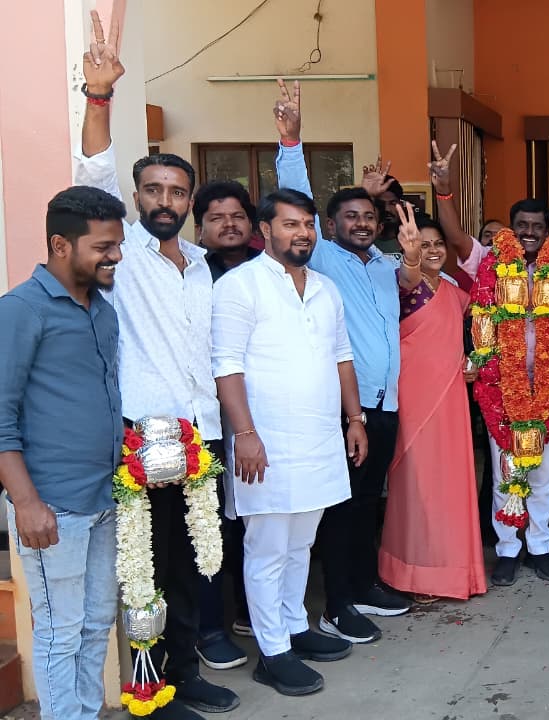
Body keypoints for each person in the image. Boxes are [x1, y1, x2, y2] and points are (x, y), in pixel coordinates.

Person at [72, 14, 239, 716]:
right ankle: (151, 689)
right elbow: (91, 174)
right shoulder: (122, 259)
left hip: (202, 435)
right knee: (149, 569)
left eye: (176, 193)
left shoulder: (202, 265)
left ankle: (187, 673)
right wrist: (99, 96)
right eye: (153, 191)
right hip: (147, 439)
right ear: (137, 198)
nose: (165, 201)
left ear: (188, 202)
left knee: (198, 564)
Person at [274, 81, 473, 642]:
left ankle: (363, 586)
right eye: (350, 216)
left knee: (367, 504)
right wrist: (291, 142)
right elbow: (297, 199)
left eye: (368, 216)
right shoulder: (325, 261)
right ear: (329, 226)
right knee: (343, 508)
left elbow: (412, 281)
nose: (361, 223)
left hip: (386, 406)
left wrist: (410, 256)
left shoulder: (386, 267)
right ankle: (337, 603)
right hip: (349, 408)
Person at [212, 189, 366, 696]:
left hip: (319, 439)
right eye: (290, 224)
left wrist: (355, 419)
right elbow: (226, 366)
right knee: (268, 548)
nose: (302, 233)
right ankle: (272, 651)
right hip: (266, 444)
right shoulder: (240, 286)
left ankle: (296, 626)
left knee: (301, 544)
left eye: (308, 224)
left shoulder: (324, 288)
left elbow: (342, 356)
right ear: (266, 230)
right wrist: (245, 435)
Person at [0, 186, 125, 720]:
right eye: (103, 247)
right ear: (60, 245)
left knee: (97, 624)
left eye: (117, 245)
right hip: (53, 507)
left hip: (105, 499)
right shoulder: (20, 310)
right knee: (59, 631)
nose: (115, 257)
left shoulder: (102, 310)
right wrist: (26, 502)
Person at [379, 198, 487, 601]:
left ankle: (456, 571)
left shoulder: (455, 291)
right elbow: (409, 278)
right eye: (423, 244)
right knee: (418, 488)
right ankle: (415, 574)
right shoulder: (403, 284)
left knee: (452, 486)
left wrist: (472, 362)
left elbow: (478, 328)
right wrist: (411, 259)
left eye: (438, 243)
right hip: (415, 402)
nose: (434, 250)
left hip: (452, 400)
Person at [473, 196, 549, 586]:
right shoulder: (491, 266)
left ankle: (539, 547)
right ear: (511, 229)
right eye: (522, 225)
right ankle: (507, 550)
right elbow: (481, 324)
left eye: (537, 226)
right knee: (506, 472)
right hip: (502, 388)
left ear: (547, 230)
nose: (530, 232)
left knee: (543, 475)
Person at [190, 179, 257, 671]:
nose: (229, 225)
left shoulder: (269, 270)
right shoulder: (193, 272)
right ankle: (210, 626)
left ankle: (252, 608)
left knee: (259, 517)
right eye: (216, 217)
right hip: (207, 417)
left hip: (265, 414)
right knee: (212, 524)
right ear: (200, 227)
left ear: (253, 225)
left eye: (237, 216)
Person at [195, 181, 261, 282]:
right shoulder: (189, 268)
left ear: (250, 224)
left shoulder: (268, 262)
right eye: (217, 218)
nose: (230, 223)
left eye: (238, 216)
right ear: (199, 230)